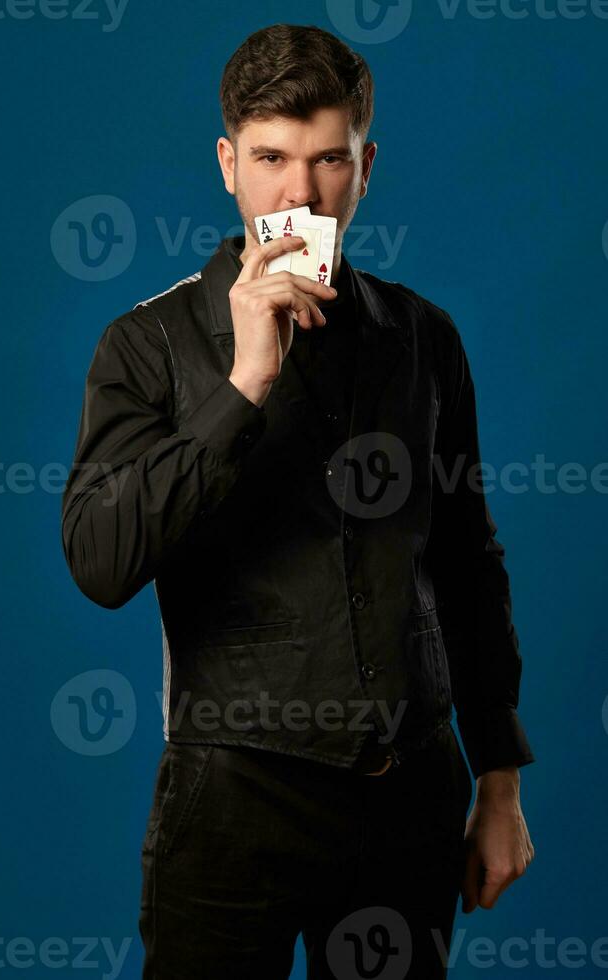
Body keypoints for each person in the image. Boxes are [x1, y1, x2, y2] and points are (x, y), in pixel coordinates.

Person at [61, 22, 536, 980]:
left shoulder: (422, 337)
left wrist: (500, 783)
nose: (301, 194)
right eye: (273, 158)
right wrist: (242, 385)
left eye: (330, 160)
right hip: (230, 799)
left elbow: (467, 564)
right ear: (230, 164)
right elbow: (101, 563)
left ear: (368, 167)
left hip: (407, 797)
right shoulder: (145, 343)